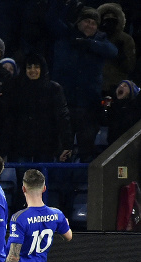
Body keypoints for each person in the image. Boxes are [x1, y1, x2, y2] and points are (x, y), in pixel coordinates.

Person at [0, 54, 73, 211]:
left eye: (36, 67)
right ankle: (22, 219)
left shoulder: (53, 89)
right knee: (23, 184)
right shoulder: (15, 88)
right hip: (20, 145)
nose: (33, 70)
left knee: (41, 185)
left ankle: (41, 219)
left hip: (45, 145)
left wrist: (66, 143)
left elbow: (62, 116)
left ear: (43, 69)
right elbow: (8, 119)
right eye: (29, 67)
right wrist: (4, 148)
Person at [47, 2, 118, 162]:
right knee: (61, 149)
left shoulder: (100, 41)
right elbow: (51, 19)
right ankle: (60, 185)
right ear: (78, 22)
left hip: (88, 107)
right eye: (86, 21)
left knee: (87, 150)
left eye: (93, 23)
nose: (90, 25)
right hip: (64, 104)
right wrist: (65, 4)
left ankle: (84, 186)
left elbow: (113, 51)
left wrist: (88, 44)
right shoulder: (66, 35)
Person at [97, 3, 137, 96]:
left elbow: (130, 66)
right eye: (106, 20)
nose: (109, 24)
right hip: (95, 84)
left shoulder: (125, 39)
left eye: (113, 20)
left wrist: (120, 55)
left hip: (115, 86)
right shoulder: (95, 37)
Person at [106, 80, 141, 145]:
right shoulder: (112, 108)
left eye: (125, 86)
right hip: (112, 145)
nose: (121, 86)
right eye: (120, 85)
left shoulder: (134, 107)